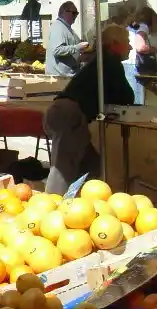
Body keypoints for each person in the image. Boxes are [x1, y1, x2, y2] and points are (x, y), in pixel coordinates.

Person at [42, 24, 134, 195]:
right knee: (62, 170)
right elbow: (127, 97)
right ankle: (50, 208)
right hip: (70, 115)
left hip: (63, 112)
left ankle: (83, 202)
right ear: (115, 43)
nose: (130, 46)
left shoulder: (100, 61)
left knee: (91, 165)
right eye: (127, 42)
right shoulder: (111, 62)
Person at [45, 1, 88, 77]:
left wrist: (80, 47)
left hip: (67, 76)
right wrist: (77, 47)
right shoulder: (58, 27)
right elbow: (57, 50)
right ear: (65, 12)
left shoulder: (66, 28)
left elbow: (71, 47)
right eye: (74, 13)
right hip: (59, 78)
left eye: (77, 13)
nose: (76, 16)